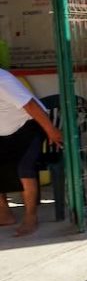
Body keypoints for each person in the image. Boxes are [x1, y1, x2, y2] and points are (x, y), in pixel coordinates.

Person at [0, 69, 63, 236]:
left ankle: (31, 217)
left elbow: (30, 105)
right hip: (4, 132)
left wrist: (51, 131)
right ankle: (4, 213)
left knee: (24, 168)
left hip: (29, 125)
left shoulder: (2, 80)